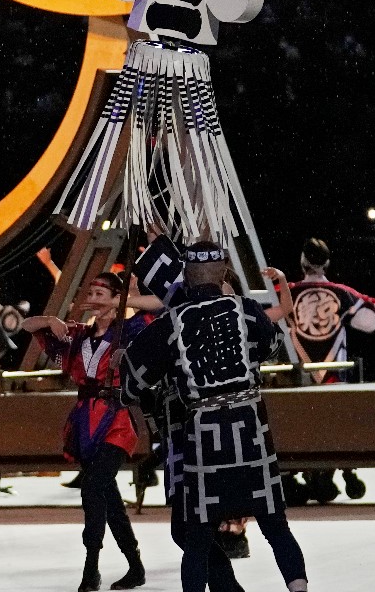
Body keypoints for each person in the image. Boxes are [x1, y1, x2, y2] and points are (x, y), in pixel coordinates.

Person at [122, 238, 306, 592]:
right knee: (275, 525)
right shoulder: (246, 310)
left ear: (186, 277)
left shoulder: (172, 322)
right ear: (223, 273)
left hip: (203, 434)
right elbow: (269, 346)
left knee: (196, 538)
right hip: (249, 427)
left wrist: (127, 364)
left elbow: (134, 380)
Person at [23, 274, 147, 591]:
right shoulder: (77, 335)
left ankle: (90, 569)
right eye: (90, 291)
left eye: (100, 292)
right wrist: (51, 319)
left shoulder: (129, 332)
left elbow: (160, 311)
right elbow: (28, 325)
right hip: (85, 422)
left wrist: (129, 297)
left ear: (114, 297)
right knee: (108, 497)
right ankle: (135, 566)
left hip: (116, 420)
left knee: (92, 488)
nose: (92, 296)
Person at [284, 236, 375, 502]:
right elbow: (371, 310)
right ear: (327, 263)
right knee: (333, 423)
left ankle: (294, 475)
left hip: (297, 380)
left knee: (300, 425)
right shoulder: (341, 293)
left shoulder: (286, 294)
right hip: (334, 378)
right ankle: (336, 471)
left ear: (302, 261)